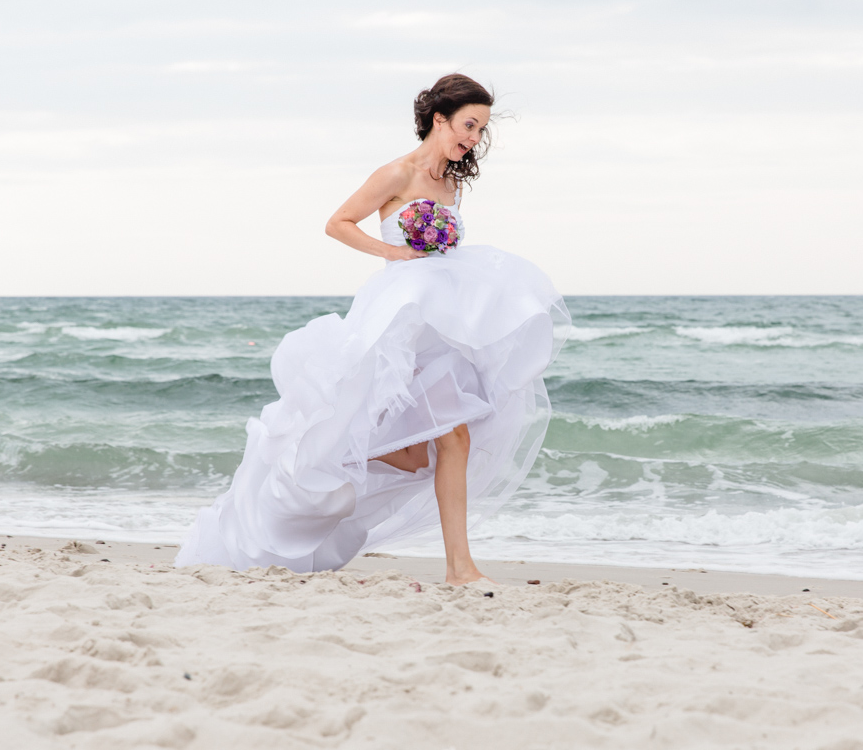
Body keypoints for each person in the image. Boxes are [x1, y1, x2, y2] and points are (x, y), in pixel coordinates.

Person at [175, 74, 570, 584]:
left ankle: (459, 565)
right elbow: (338, 222)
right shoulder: (396, 174)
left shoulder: (451, 182)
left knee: (455, 442)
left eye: (480, 131)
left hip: (441, 323)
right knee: (425, 443)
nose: (473, 138)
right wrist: (396, 253)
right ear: (439, 119)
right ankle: (431, 537)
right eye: (468, 126)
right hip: (400, 319)